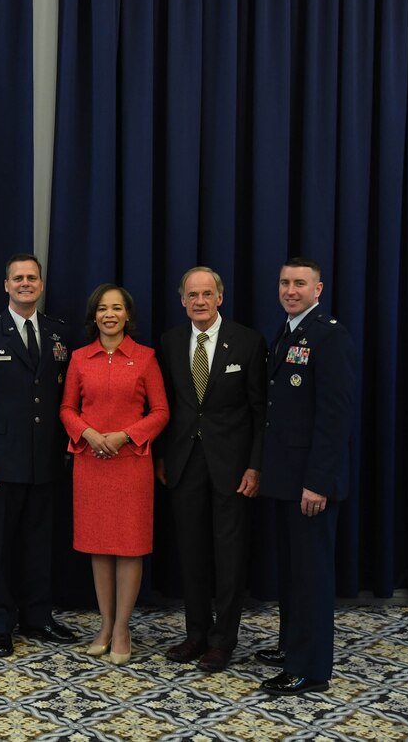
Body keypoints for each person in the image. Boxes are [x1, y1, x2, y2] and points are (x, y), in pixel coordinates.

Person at [0, 253, 76, 657]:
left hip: (44, 461)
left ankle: (38, 617)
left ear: (41, 285)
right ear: (6, 285)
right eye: (18, 278)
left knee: (39, 544)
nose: (25, 283)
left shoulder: (59, 333)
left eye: (32, 278)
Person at [155, 267, 266, 672]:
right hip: (184, 465)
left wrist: (256, 466)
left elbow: (260, 413)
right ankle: (196, 634)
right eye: (191, 295)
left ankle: (224, 640)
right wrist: (163, 458)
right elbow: (167, 407)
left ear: (220, 297)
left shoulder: (248, 342)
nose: (199, 301)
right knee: (192, 554)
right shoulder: (168, 342)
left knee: (230, 557)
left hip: (234, 470)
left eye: (206, 294)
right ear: (182, 300)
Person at [256, 257, 355, 696]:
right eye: (284, 282)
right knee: (293, 574)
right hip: (285, 479)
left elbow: (334, 418)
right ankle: (290, 645)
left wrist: (317, 481)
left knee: (311, 577)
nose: (290, 290)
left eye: (299, 283)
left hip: (310, 483)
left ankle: (309, 668)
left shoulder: (328, 335)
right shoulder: (289, 330)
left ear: (318, 289)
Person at [59, 283, 169, 666]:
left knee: (129, 547)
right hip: (91, 463)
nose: (109, 314)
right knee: (99, 547)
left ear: (127, 316)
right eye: (102, 308)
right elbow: (67, 409)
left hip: (131, 464)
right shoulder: (78, 358)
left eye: (117, 308)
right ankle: (104, 626)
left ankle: (122, 628)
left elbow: (160, 412)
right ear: (94, 316)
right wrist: (88, 433)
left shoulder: (145, 358)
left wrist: (125, 436)